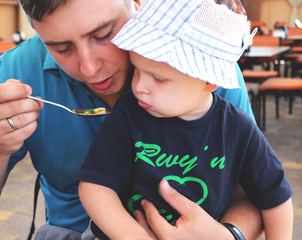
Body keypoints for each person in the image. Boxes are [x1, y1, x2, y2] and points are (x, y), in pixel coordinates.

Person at [0, 0, 263, 239]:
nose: (89, 67)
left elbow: (256, 191)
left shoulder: (198, 63)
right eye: (60, 48)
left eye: (103, 34)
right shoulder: (20, 70)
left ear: (137, 4)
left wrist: (229, 234)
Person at [77, 0, 293, 239]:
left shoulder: (239, 130)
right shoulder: (129, 114)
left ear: (210, 80)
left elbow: (276, 197)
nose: (138, 87)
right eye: (137, 69)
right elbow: (95, 186)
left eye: (158, 79)